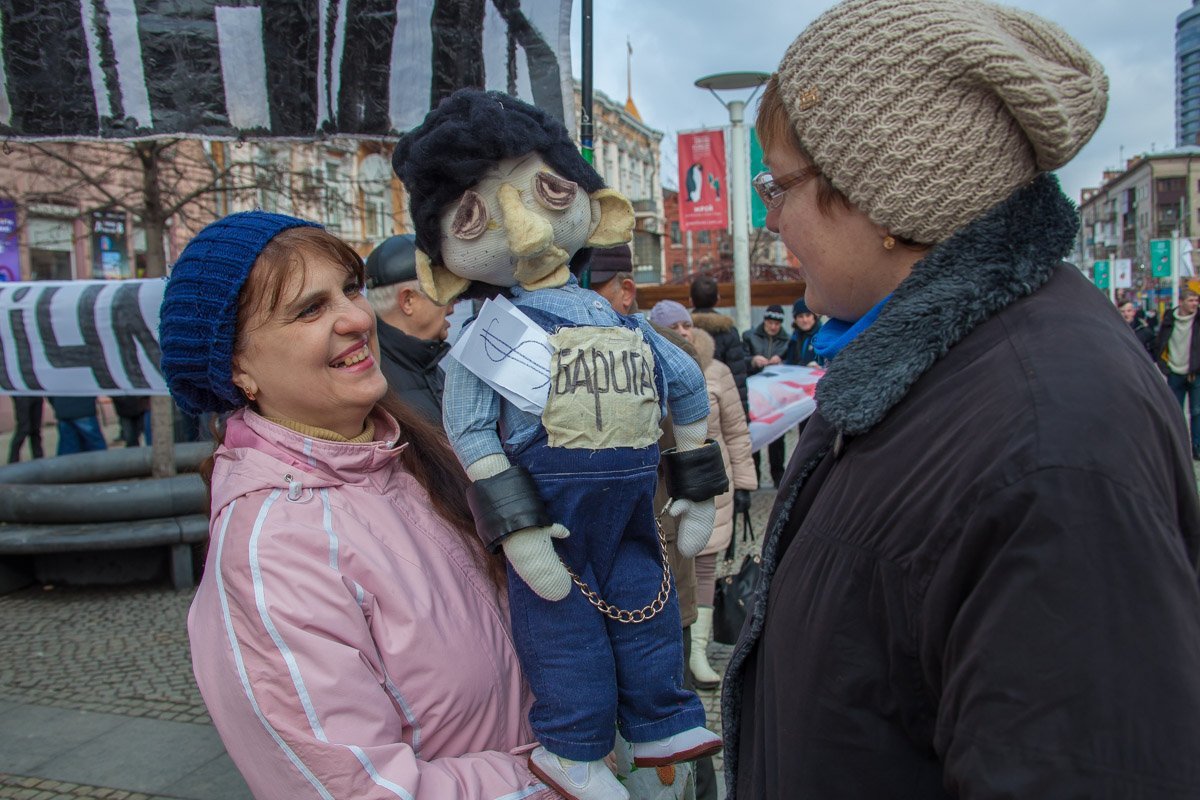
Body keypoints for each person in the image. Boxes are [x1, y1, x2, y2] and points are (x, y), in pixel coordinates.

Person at [721, 2, 1200, 798]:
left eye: (779, 183)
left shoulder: (1050, 445)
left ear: (883, 189)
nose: (771, 220)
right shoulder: (935, 366)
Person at [158, 211, 559, 800]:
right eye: (309, 309)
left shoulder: (413, 460)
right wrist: (563, 771)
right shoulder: (272, 551)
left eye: (348, 289)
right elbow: (361, 790)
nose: (356, 316)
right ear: (238, 367)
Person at [393, 88, 723, 800]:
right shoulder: (485, 340)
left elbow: (687, 390)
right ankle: (573, 745)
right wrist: (519, 528)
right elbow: (472, 428)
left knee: (650, 602)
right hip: (552, 513)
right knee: (562, 630)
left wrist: (698, 485)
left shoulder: (622, 321)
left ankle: (662, 719)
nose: (523, 224)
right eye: (477, 212)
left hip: (635, 508)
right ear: (443, 259)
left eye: (544, 189)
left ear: (595, 206)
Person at [589, 246, 718, 800]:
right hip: (580, 579)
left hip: (654, 563)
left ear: (623, 292)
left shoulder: (657, 353)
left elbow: (694, 446)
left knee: (670, 715)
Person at [650, 301, 756, 692]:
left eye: (687, 323)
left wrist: (744, 483)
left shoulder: (717, 369)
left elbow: (736, 429)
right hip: (675, 491)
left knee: (704, 566)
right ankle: (691, 656)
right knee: (690, 564)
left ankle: (697, 652)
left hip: (712, 479)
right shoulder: (652, 363)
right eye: (673, 325)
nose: (684, 330)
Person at [365, 233, 453, 425]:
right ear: (408, 301)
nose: (452, 307)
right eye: (442, 293)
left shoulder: (425, 364)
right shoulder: (374, 390)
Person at [742, 304, 789, 487]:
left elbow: (793, 364)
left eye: (777, 323)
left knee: (778, 436)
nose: (773, 327)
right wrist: (753, 360)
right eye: (770, 322)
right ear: (765, 321)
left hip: (776, 396)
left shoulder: (787, 341)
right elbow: (741, 361)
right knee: (755, 434)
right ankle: (755, 476)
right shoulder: (749, 336)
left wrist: (783, 362)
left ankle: (778, 476)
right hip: (755, 395)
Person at [688, 275, 749, 413]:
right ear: (718, 299)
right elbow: (737, 375)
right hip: (724, 403)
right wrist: (743, 414)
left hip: (690, 406)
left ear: (690, 301)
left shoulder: (684, 331)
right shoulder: (728, 330)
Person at [1154, 290, 1200, 459]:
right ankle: (1177, 448)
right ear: (1181, 301)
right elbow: (1160, 343)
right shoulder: (1169, 320)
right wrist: (1164, 366)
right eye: (1191, 300)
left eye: (1196, 300)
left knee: (1196, 412)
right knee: (1174, 412)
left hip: (1195, 373)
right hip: (1174, 371)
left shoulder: (1198, 320)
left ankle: (1197, 447)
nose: (1194, 303)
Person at [783, 297, 823, 367]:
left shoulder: (823, 335)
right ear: (795, 319)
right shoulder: (794, 337)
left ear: (814, 316)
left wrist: (821, 365)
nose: (805, 320)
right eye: (800, 316)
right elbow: (790, 361)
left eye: (808, 315)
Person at [8, 396, 44, 463]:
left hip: (36, 394)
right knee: (23, 429)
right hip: (22, 395)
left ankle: (39, 459)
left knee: (36, 430)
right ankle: (13, 460)